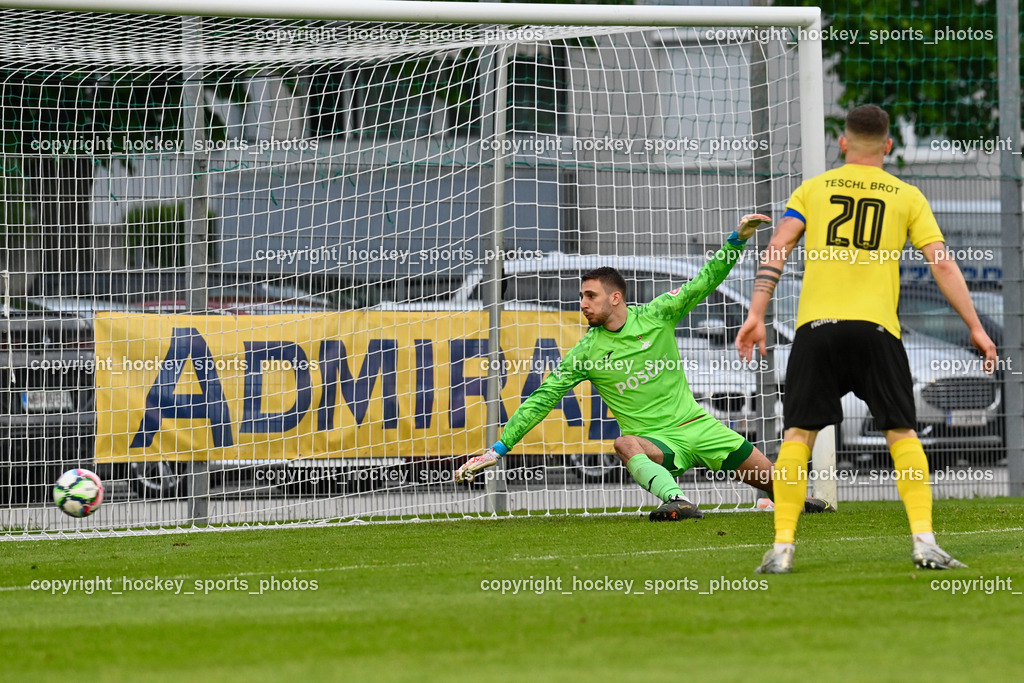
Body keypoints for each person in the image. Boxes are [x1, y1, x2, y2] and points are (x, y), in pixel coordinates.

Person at [735, 104, 998, 573]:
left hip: (817, 330)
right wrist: (976, 327)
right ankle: (924, 542)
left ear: (843, 143)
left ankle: (782, 547)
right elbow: (941, 262)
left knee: (797, 435)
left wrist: (757, 312)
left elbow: (778, 246)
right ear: (888, 146)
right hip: (877, 331)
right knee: (902, 433)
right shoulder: (906, 195)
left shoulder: (814, 189)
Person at [455, 214, 833, 520]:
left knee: (784, 490)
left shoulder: (657, 314)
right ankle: (676, 500)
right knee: (624, 443)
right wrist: (498, 449)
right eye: (581, 296)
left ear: (615, 298)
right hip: (657, 444)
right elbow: (541, 399)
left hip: (699, 427)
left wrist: (736, 240)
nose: (582, 303)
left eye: (591, 296)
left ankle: (787, 497)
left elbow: (704, 282)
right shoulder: (585, 352)